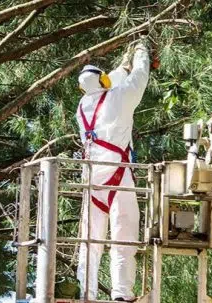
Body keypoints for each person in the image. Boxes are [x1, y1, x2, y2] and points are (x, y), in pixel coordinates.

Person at [75, 39, 150, 302]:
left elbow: (107, 84)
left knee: (90, 238)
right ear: (104, 81)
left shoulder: (82, 107)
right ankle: (122, 293)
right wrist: (141, 52)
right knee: (124, 232)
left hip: (92, 176)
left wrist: (121, 68)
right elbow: (140, 79)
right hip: (119, 174)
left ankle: (88, 291)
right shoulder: (118, 98)